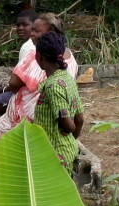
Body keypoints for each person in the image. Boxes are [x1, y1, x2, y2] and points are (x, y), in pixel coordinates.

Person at [0, 14, 77, 148]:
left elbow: (13, 83)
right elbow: (75, 118)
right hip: (52, 125)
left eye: (36, 31)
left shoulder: (37, 56)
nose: (32, 34)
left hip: (27, 121)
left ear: (50, 32)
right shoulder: (70, 57)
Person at [0, 10, 40, 130]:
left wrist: (6, 89)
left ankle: (3, 141)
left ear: (34, 25)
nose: (20, 28)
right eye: (18, 25)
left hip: (28, 95)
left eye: (25, 25)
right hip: (34, 92)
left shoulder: (27, 47)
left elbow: (21, 82)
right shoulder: (40, 43)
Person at [33, 30, 84, 166]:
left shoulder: (52, 87)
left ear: (38, 56)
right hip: (67, 150)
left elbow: (68, 125)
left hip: (54, 155)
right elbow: (80, 119)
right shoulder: (68, 78)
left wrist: (68, 132)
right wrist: (71, 141)